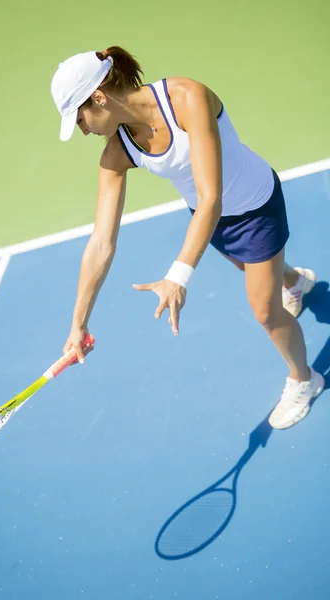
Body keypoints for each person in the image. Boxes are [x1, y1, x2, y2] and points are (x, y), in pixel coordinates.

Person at [50, 46, 324, 430]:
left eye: (80, 119)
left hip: (255, 208)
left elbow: (212, 194)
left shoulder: (186, 97)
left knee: (264, 310)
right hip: (209, 222)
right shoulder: (117, 152)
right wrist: (78, 324)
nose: (83, 130)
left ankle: (304, 379)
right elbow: (101, 242)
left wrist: (178, 276)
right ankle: (294, 281)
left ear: (98, 98)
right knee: (254, 268)